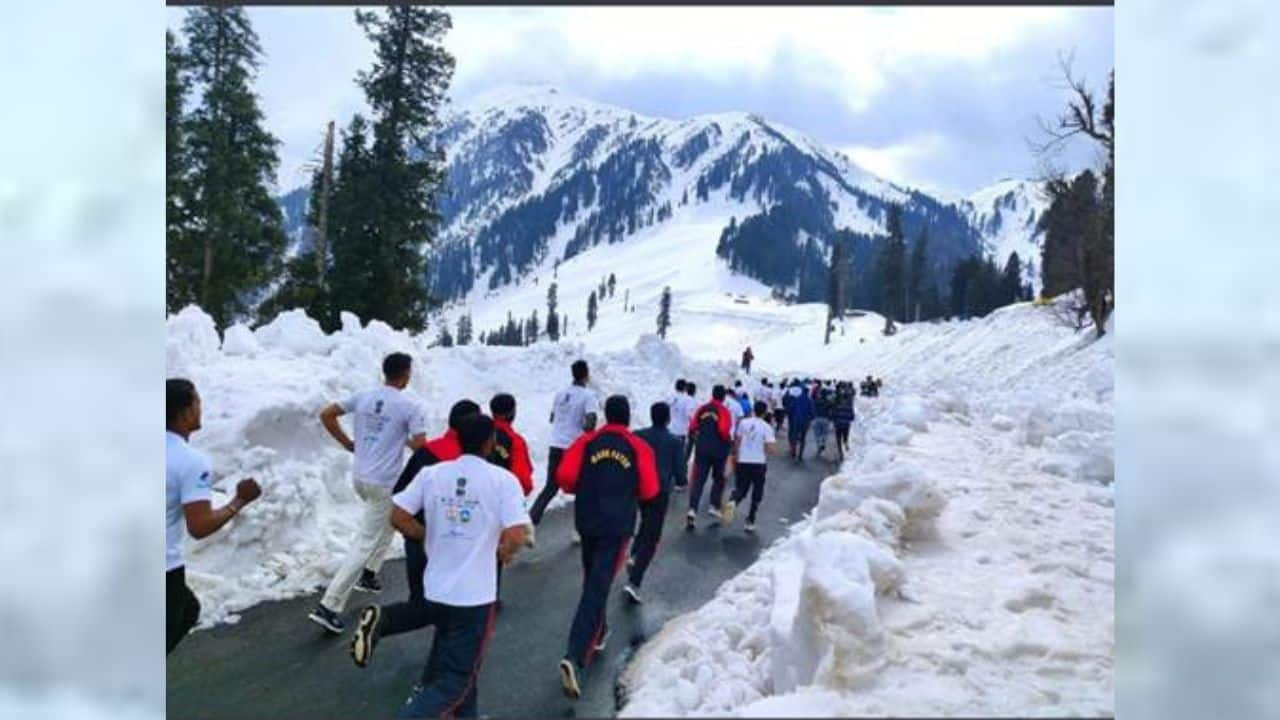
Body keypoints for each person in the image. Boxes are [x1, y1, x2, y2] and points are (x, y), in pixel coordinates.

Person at [350, 414, 529, 719]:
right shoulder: (502, 480)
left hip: (436, 590)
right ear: (490, 443)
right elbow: (517, 534)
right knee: (456, 681)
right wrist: (503, 552)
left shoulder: (432, 474)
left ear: (459, 439)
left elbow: (397, 516)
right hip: (474, 598)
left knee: (460, 666)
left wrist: (426, 535)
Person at [309, 353, 428, 634]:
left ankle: (370, 573)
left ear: (385, 372)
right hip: (384, 481)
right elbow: (421, 445)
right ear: (406, 374)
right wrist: (403, 440)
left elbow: (327, 413)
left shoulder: (364, 396)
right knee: (366, 539)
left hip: (360, 478)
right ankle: (329, 604)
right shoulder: (410, 404)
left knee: (390, 521)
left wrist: (349, 443)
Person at [554, 396, 658, 698]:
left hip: (587, 522)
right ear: (627, 418)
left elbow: (565, 478)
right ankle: (574, 656)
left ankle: (598, 632)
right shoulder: (638, 446)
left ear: (605, 416)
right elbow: (650, 489)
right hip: (617, 527)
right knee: (597, 587)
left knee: (592, 579)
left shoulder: (587, 442)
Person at [167, 379, 262, 654]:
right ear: (185, 412)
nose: (201, 408)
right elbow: (200, 525)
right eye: (197, 403)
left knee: (188, 610)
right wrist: (239, 500)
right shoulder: (190, 461)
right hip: (163, 568)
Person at [390, 400, 479, 618]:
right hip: (454, 540)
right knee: (454, 608)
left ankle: (384, 621)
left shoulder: (426, 452)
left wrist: (416, 531)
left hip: (418, 537)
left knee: (419, 604)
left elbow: (400, 492)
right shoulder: (476, 462)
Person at [529, 360, 599, 541]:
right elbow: (590, 425)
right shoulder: (589, 396)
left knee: (550, 487)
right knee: (582, 489)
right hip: (574, 449)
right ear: (586, 374)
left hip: (556, 444)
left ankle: (530, 523)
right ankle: (578, 530)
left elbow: (553, 417)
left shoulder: (560, 394)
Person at [625, 402, 683, 603]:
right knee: (653, 537)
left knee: (645, 522)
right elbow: (681, 475)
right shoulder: (675, 442)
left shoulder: (638, 435)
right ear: (668, 419)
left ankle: (633, 555)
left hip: (638, 488)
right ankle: (634, 582)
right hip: (660, 491)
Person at [487, 393, 534, 610]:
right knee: (494, 550)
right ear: (512, 412)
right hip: (498, 505)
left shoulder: (477, 432)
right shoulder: (514, 441)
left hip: (471, 497)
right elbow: (522, 480)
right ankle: (489, 597)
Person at [723, 400, 776, 532]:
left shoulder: (743, 423)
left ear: (753, 410)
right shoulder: (766, 427)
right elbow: (771, 448)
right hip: (758, 463)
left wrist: (736, 454)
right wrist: (768, 449)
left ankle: (733, 501)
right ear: (764, 413)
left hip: (743, 461)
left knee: (741, 488)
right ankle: (750, 519)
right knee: (757, 491)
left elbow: (738, 440)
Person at [686, 385, 733, 529]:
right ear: (724, 397)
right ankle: (714, 505)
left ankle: (692, 509)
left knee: (698, 479)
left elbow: (692, 427)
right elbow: (723, 430)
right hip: (718, 450)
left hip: (702, 448)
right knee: (719, 478)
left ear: (712, 395)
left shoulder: (702, 408)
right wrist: (729, 442)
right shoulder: (724, 411)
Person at [667, 380, 695, 490]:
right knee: (679, 457)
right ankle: (679, 483)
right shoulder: (688, 400)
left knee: (668, 456)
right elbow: (690, 415)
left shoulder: (669, 397)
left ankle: (667, 478)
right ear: (684, 388)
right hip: (681, 432)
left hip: (669, 430)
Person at [786, 380, 815, 461]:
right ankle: (800, 455)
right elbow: (812, 413)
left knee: (794, 436)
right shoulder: (810, 401)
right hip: (805, 422)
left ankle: (793, 452)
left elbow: (790, 409)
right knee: (803, 438)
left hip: (796, 421)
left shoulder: (796, 399)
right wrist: (810, 419)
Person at [810, 384, 835, 460]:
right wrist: (831, 419)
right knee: (824, 434)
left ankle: (819, 446)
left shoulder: (815, 401)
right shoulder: (828, 402)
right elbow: (831, 410)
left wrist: (811, 418)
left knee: (817, 434)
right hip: (825, 419)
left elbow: (812, 409)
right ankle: (823, 444)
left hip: (816, 418)